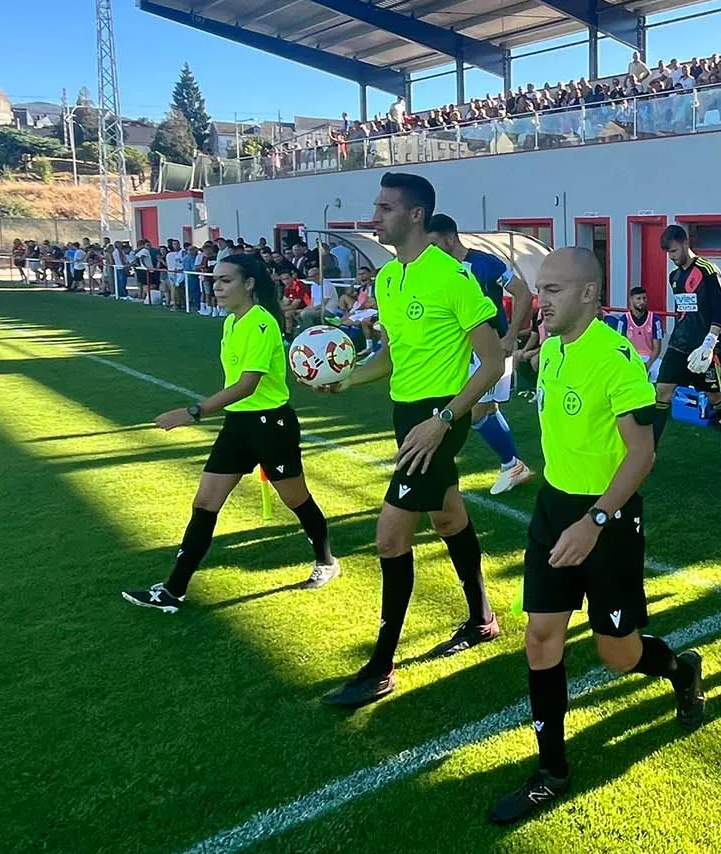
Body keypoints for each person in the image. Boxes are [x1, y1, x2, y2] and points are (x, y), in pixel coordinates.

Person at [489, 248, 705, 825]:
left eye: (555, 290)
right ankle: (551, 770)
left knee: (618, 655)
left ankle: (682, 671)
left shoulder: (616, 360)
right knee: (541, 639)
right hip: (553, 509)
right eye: (542, 290)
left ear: (589, 294)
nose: (542, 301)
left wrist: (597, 520)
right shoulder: (554, 346)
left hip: (607, 521)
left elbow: (643, 453)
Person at [317, 174, 507, 708]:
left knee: (389, 538)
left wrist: (444, 419)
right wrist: (348, 377)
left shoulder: (453, 278)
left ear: (416, 214)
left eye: (384, 207)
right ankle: (483, 618)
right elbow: (394, 357)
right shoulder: (387, 279)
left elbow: (492, 363)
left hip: (439, 421)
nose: (374, 216)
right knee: (449, 518)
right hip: (409, 416)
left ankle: (380, 666)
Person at [121, 252, 338, 612]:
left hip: (272, 426)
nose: (217, 287)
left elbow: (248, 385)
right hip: (238, 425)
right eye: (215, 280)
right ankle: (174, 589)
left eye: (226, 281)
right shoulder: (232, 323)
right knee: (205, 503)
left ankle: (327, 562)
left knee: (296, 500)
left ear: (248, 284)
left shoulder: (261, 324)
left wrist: (194, 412)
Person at [425, 214, 536, 496]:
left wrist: (511, 335)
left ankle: (511, 464)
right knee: (487, 409)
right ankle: (512, 464)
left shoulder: (484, 263)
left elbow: (522, 293)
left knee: (474, 412)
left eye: (435, 243)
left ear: (450, 238)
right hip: (465, 351)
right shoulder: (439, 269)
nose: (431, 250)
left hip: (491, 349)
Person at [652, 225, 721, 467]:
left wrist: (709, 344)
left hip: (704, 349)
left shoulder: (708, 271)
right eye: (668, 253)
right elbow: (683, 311)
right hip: (678, 346)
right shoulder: (674, 276)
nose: (671, 257)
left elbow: (720, 310)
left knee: (715, 396)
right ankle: (650, 451)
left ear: (685, 243)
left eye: (674, 251)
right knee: (662, 393)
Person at [612, 285, 664, 380]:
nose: (642, 302)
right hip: (631, 357)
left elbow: (657, 348)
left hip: (650, 359)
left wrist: (648, 365)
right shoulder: (623, 320)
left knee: (661, 372)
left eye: (644, 298)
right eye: (638, 299)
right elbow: (620, 345)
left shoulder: (655, 320)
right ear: (631, 300)